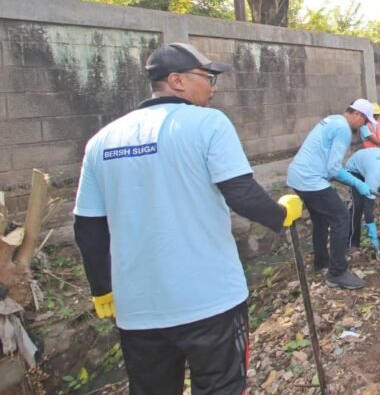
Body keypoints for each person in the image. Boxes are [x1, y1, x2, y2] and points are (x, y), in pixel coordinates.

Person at [73, 42, 302, 394]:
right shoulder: (207, 122)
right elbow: (240, 192)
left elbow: (88, 226)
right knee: (220, 386)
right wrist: (282, 215)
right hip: (209, 301)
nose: (213, 87)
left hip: (139, 309)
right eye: (208, 77)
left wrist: (102, 288)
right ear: (177, 80)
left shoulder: (102, 140)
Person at [287, 99, 377, 290]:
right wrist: (358, 183)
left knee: (321, 220)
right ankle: (337, 273)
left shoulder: (333, 120)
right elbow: (334, 169)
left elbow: (329, 167)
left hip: (298, 176)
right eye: (365, 121)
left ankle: (321, 262)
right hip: (310, 179)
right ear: (357, 115)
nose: (364, 126)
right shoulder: (343, 129)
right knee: (342, 217)